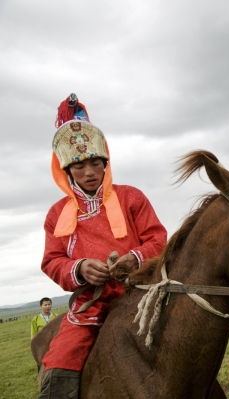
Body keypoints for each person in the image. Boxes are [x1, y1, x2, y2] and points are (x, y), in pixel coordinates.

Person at [38, 108, 167, 398]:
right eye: (79, 166)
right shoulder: (57, 214)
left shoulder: (131, 197)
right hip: (91, 306)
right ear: (66, 170)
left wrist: (134, 258)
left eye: (96, 162)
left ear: (105, 162)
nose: (89, 172)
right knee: (60, 361)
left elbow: (158, 239)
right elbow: (52, 261)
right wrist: (80, 268)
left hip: (143, 292)